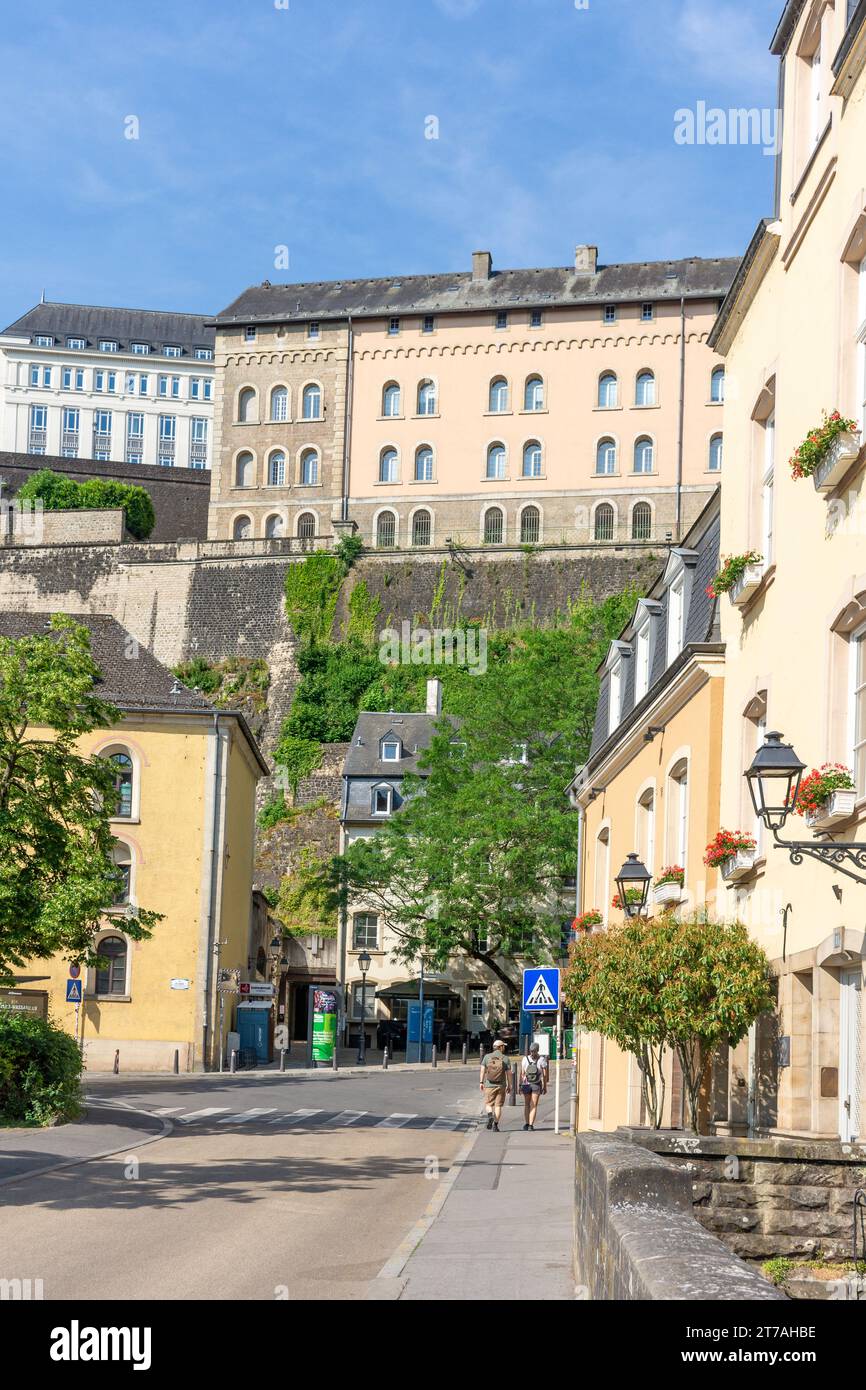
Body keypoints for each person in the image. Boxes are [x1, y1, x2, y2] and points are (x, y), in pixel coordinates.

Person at [479, 1039, 511, 1131]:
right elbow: (509, 1073)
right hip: (501, 1085)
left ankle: (490, 1115)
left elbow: (482, 1071)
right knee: (498, 1106)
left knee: (488, 1104)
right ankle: (495, 1126)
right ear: (500, 1047)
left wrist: (481, 1082)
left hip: (489, 1084)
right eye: (503, 1046)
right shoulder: (505, 1058)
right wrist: (510, 1085)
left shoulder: (487, 1057)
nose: (504, 1047)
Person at [520, 1043, 548, 1131]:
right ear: (538, 1050)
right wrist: (545, 1086)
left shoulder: (525, 1059)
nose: (532, 1053)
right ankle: (531, 1125)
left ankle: (526, 1123)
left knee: (527, 1104)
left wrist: (520, 1084)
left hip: (526, 1084)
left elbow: (522, 1073)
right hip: (536, 1084)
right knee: (534, 1105)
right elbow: (545, 1074)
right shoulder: (542, 1059)